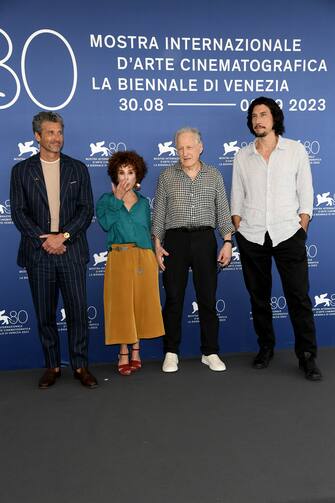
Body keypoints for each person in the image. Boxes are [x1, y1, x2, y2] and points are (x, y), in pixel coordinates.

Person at [231, 96, 322, 381]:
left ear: (274, 119)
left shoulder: (295, 150)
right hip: (252, 236)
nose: (258, 120)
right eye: (254, 116)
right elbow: (237, 197)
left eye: (263, 114)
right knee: (259, 298)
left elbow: (306, 194)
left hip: (288, 234)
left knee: (298, 298)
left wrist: (302, 227)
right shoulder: (242, 156)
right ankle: (265, 348)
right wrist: (238, 226)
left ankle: (307, 356)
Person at [10, 111, 98, 389]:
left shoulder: (77, 168)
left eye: (59, 132)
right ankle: (52, 366)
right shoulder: (21, 171)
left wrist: (64, 237)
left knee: (77, 313)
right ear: (37, 136)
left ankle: (81, 365)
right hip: (39, 253)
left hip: (71, 251)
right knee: (45, 314)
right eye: (50, 133)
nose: (56, 138)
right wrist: (44, 239)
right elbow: (18, 213)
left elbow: (86, 210)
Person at [152, 127, 234, 373]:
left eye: (189, 147)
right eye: (180, 148)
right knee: (174, 298)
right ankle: (171, 352)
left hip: (204, 240)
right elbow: (158, 215)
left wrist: (228, 242)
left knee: (207, 299)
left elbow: (223, 211)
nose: (184, 152)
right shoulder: (166, 176)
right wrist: (157, 246)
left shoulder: (214, 175)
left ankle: (210, 352)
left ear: (200, 147)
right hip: (175, 241)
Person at [96, 151, 164, 375]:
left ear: (138, 177)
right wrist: (117, 199)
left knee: (141, 304)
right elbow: (106, 224)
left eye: (130, 172)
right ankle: (123, 351)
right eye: (121, 172)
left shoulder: (144, 203)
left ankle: (136, 349)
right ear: (115, 176)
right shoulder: (106, 200)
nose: (126, 177)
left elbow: (151, 231)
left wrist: (156, 250)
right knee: (121, 305)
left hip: (144, 258)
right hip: (119, 256)